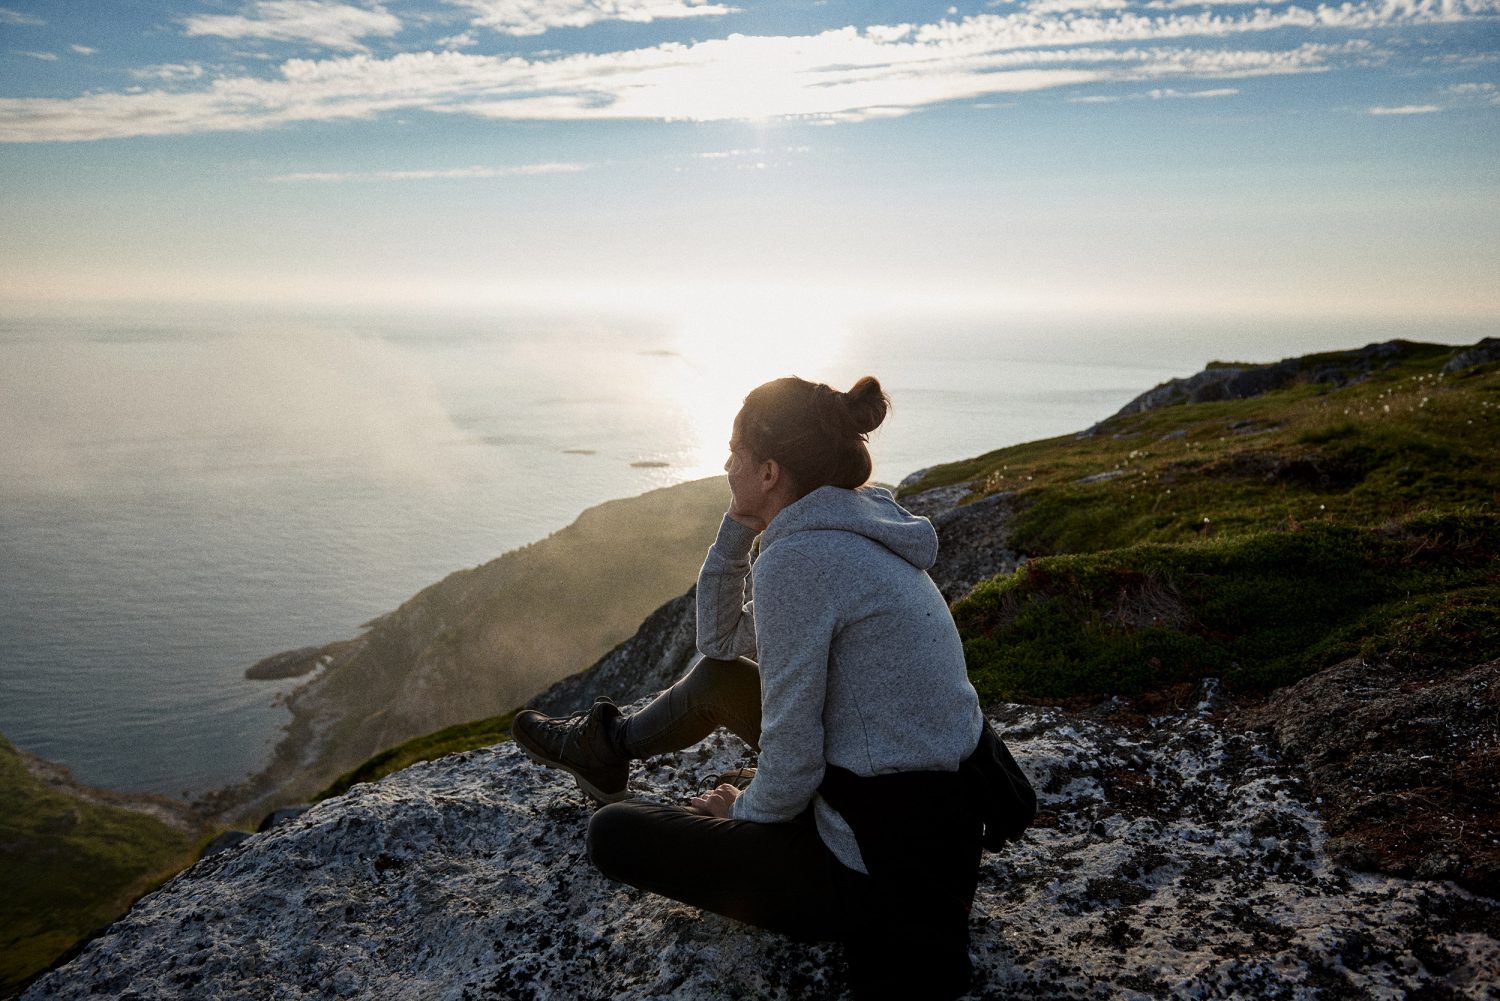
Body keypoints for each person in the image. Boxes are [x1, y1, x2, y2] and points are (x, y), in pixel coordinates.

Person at [511, 375, 987, 999]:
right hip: (935, 828)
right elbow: (719, 645)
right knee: (720, 682)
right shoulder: (851, 527)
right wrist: (738, 527)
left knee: (612, 834)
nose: (724, 463)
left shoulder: (801, 561)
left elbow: (793, 762)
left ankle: (618, 773)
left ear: (768, 471)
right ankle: (607, 747)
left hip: (875, 864)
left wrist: (737, 815)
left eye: (733, 451)